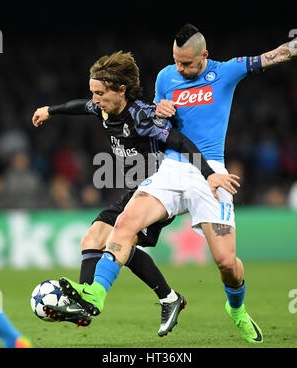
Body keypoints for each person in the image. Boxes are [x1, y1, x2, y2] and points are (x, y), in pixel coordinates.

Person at [59, 24, 297, 344]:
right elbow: (157, 122)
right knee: (125, 223)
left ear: (205, 56)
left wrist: (293, 47)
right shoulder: (165, 77)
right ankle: (95, 297)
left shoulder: (226, 72)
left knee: (227, 264)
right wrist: (161, 110)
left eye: (187, 63)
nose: (180, 68)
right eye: (176, 61)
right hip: (172, 168)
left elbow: (272, 56)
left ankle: (236, 309)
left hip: (211, 173)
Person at [32, 51, 239, 336]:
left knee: (119, 242)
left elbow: (178, 140)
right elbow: (80, 106)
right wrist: (50, 111)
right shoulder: (102, 107)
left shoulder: (142, 114)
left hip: (159, 190)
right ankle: (93, 300)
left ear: (121, 90)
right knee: (92, 238)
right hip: (135, 189)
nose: (94, 99)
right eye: (93, 92)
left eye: (100, 93)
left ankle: (107, 300)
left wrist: (208, 174)